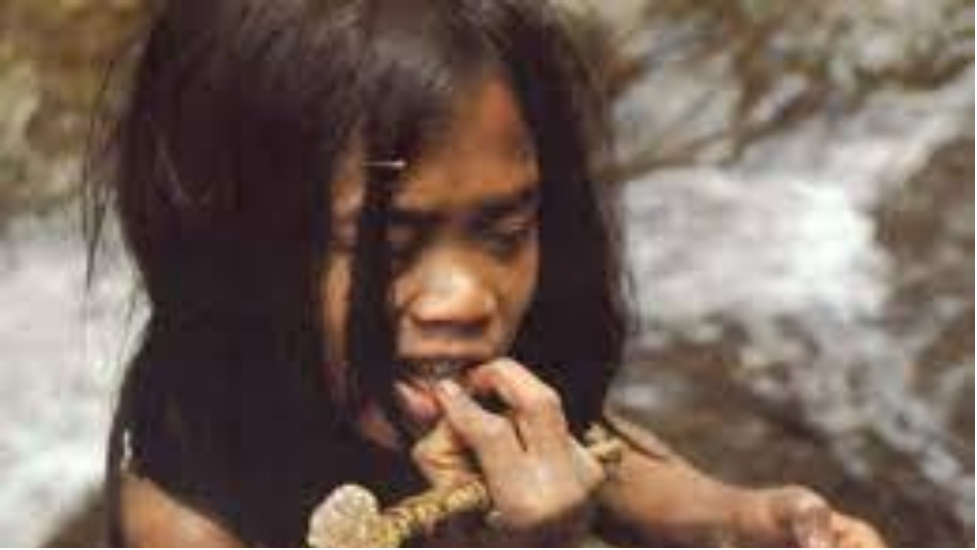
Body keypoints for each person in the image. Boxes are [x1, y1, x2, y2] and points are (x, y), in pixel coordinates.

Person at [87, 0, 886, 546]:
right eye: (389, 250)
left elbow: (596, 451)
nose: (467, 299)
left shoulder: (471, 384)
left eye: (503, 232)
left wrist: (736, 519)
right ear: (236, 249)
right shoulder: (190, 513)